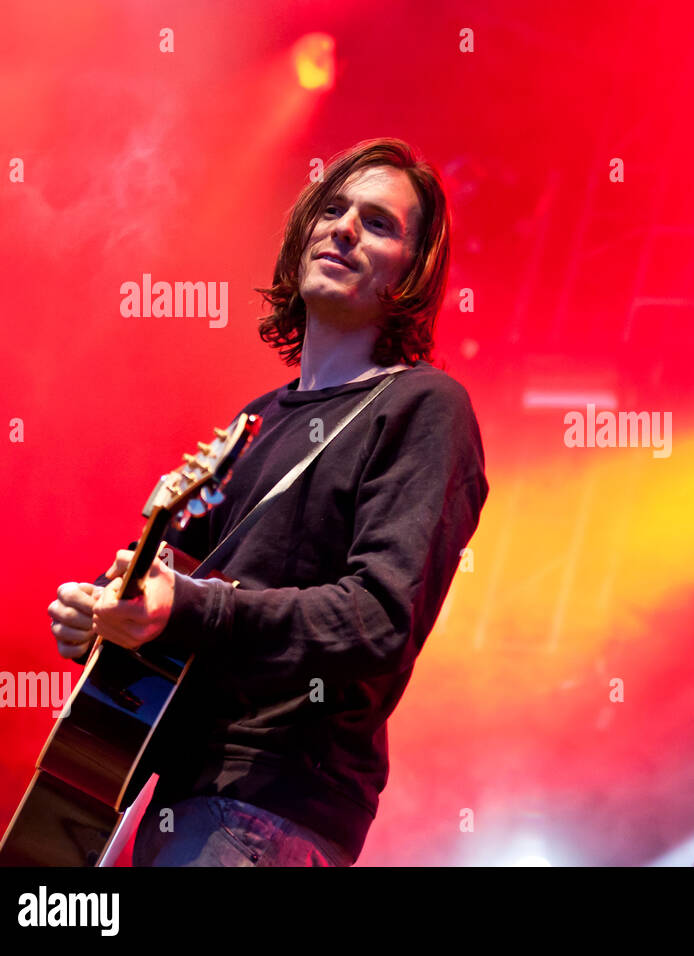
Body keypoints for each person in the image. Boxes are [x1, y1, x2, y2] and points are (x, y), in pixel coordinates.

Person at [44, 138, 488, 866]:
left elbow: (380, 617)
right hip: (168, 793)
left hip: (266, 806)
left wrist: (184, 606)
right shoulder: (255, 422)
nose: (344, 228)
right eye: (333, 209)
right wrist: (101, 612)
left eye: (378, 224)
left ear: (413, 273)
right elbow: (177, 577)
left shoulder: (423, 406)